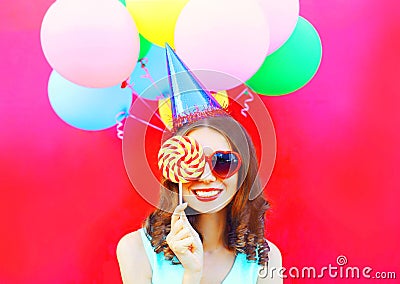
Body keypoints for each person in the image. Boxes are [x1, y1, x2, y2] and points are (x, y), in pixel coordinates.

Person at [117, 45, 282, 284]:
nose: (206, 176)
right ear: (174, 169)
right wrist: (192, 275)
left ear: (242, 173)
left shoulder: (265, 258)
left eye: (223, 162)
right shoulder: (136, 250)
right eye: (192, 161)